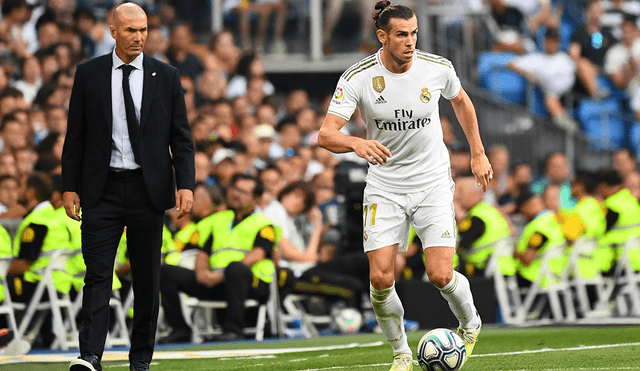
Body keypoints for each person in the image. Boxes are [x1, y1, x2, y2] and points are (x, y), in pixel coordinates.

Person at [317, 2, 492, 370]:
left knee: (441, 274)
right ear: (383, 36)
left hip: (432, 182)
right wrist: (356, 143)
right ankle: (401, 353)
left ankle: (470, 324)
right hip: (385, 186)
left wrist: (477, 153)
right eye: (401, 34)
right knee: (380, 280)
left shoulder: (437, 68)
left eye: (413, 33)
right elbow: (326, 135)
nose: (410, 41)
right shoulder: (358, 76)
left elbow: (461, 102)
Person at [61, 3, 195, 371]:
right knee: (98, 275)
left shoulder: (165, 75)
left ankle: (140, 360)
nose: (139, 36)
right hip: (100, 189)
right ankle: (90, 355)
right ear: (113, 31)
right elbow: (76, 135)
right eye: (131, 30)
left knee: (147, 279)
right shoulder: (88, 74)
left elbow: (181, 138)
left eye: (144, 29)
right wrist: (68, 187)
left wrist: (186, 185)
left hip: (147, 191)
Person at [158, 173, 278, 343]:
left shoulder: (264, 224)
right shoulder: (218, 221)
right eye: (235, 189)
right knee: (166, 271)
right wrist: (201, 273)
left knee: (236, 268)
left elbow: (258, 254)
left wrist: (221, 276)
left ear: (256, 199)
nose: (236, 195)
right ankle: (180, 329)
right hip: (216, 281)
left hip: (250, 283)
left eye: (244, 192)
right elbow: (203, 252)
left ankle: (234, 329)